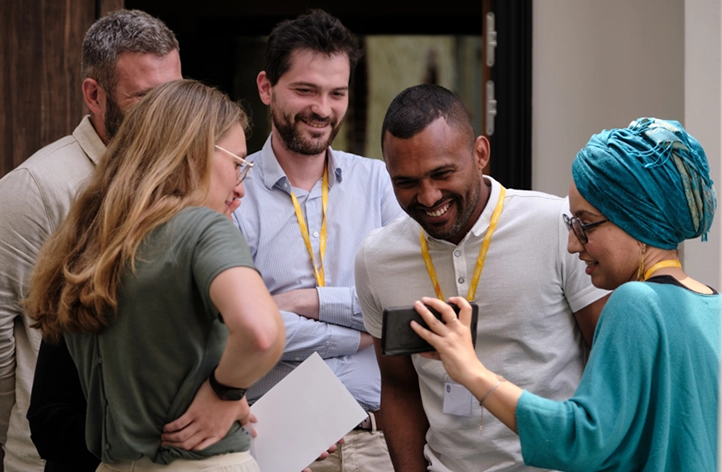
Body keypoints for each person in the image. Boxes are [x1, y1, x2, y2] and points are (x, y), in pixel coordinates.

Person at [412, 117, 719, 471]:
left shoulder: (636, 302)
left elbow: (578, 440)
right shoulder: (710, 304)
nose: (573, 244)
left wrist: (469, 369)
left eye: (585, 223)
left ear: (637, 220)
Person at [0, 9, 181, 472]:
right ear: (94, 95)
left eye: (174, 96)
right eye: (145, 99)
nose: (166, 116)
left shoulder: (181, 181)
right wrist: (14, 423)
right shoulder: (35, 188)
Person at [24, 79, 285, 471]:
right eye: (237, 164)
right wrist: (224, 391)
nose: (240, 188)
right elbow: (263, 333)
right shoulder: (203, 227)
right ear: (191, 152)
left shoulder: (86, 243)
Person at [353, 84, 609, 472]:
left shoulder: (557, 228)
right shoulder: (377, 258)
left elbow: (608, 365)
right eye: (406, 182)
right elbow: (400, 388)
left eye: (442, 174)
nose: (427, 196)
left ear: (480, 154)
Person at [228, 10, 403, 471]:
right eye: (305, 90)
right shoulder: (232, 192)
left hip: (375, 444)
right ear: (267, 88)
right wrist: (365, 333)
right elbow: (239, 328)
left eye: (336, 93)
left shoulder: (379, 183)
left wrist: (301, 302)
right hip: (276, 448)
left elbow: (406, 307)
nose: (323, 109)